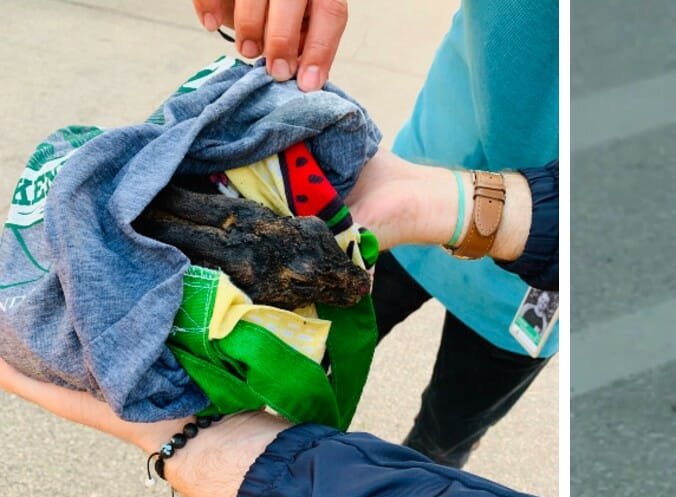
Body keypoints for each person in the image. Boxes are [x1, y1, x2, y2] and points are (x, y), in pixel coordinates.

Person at [0, 2, 562, 497]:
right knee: (311, 339)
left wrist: (232, 460)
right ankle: (357, 454)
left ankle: (425, 466)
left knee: (447, 428)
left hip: (523, 295)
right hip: (413, 183)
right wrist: (445, 202)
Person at [195, 0, 560, 469]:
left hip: (534, 268)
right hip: (419, 162)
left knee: (443, 438)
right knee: (300, 365)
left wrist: (456, 206)